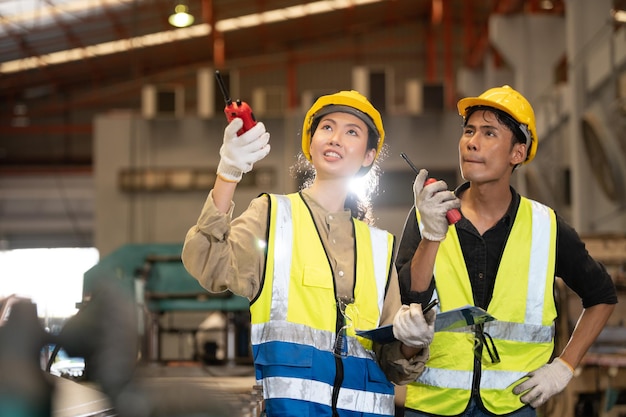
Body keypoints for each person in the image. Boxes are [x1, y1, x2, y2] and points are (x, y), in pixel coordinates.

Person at [182, 90, 436, 417]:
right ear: (311, 142)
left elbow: (395, 366)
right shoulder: (273, 215)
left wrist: (411, 342)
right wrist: (228, 174)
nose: (336, 138)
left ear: (368, 156)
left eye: (352, 132)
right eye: (327, 127)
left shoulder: (379, 245)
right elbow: (204, 260)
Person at [395, 85, 618, 417]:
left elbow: (602, 296)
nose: (472, 142)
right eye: (469, 131)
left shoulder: (545, 227)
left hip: (512, 406)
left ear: (518, 152)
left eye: (489, 133)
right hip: (431, 405)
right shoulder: (428, 215)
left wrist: (564, 367)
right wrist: (431, 235)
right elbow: (408, 301)